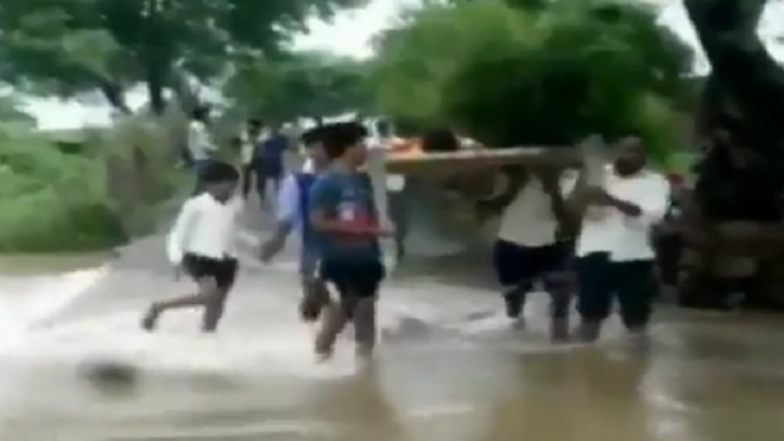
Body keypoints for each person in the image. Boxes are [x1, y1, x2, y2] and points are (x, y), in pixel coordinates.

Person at [565, 135, 670, 342]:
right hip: (593, 253)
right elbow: (571, 208)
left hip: (634, 256)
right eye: (626, 150)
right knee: (590, 317)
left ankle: (639, 367)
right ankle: (582, 364)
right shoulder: (594, 174)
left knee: (636, 320)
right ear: (614, 153)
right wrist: (586, 176)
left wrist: (610, 200)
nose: (631, 156)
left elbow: (652, 215)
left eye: (636, 151)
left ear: (644, 156)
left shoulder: (655, 182)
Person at [308, 122, 390, 361]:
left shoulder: (363, 180)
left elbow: (373, 215)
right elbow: (318, 222)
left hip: (367, 258)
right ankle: (320, 363)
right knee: (337, 316)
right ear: (348, 147)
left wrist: (377, 232)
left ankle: (364, 374)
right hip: (339, 260)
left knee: (367, 316)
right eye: (361, 143)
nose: (365, 149)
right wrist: (362, 228)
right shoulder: (326, 183)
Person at [141, 161, 243, 332]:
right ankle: (159, 307)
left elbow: (234, 229)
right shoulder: (195, 206)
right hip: (199, 257)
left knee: (217, 304)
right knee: (208, 296)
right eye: (227, 186)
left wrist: (253, 243)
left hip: (227, 258)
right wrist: (176, 261)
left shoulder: (237, 203)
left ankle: (207, 336)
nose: (230, 191)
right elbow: (178, 235)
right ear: (211, 185)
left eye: (233, 186)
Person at [479, 164, 576, 341]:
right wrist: (514, 186)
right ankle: (518, 334)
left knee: (561, 296)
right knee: (514, 303)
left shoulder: (568, 176)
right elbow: (489, 206)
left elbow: (569, 216)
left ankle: (560, 343)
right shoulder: (505, 173)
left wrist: (552, 187)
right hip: (512, 243)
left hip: (553, 243)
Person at [260, 126, 331, 321]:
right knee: (315, 299)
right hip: (314, 249)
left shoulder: (350, 178)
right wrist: (275, 244)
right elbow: (285, 220)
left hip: (348, 248)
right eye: (320, 145)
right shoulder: (298, 182)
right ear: (309, 150)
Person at [255, 123, 289, 207]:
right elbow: (284, 147)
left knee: (262, 182)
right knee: (276, 181)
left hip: (265, 162)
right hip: (275, 162)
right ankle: (275, 198)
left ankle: (263, 200)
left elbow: (258, 149)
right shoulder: (281, 139)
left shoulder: (263, 138)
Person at [187, 105, 218, 194]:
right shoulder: (200, 127)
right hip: (204, 157)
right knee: (204, 185)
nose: (208, 116)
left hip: (197, 157)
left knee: (201, 183)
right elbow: (204, 143)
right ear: (202, 115)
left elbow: (191, 143)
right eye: (206, 114)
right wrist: (215, 148)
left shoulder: (192, 125)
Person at [240, 119, 264, 199]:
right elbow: (248, 141)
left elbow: (260, 142)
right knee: (246, 179)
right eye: (249, 125)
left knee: (260, 179)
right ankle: (245, 195)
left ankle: (261, 194)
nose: (250, 127)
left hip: (259, 159)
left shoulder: (261, 135)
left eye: (252, 125)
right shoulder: (245, 134)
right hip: (247, 159)